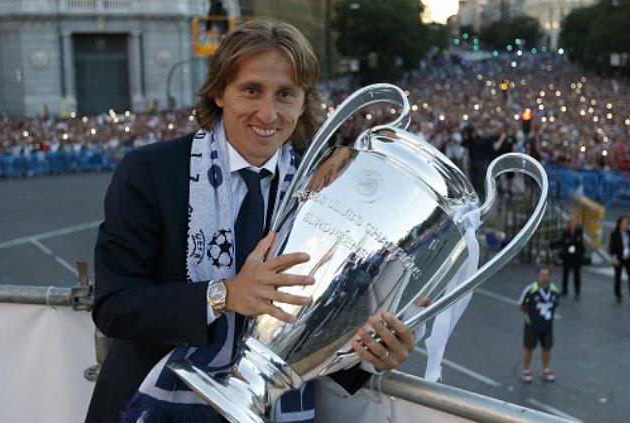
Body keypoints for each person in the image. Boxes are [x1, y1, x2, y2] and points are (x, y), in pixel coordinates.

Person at [86, 19, 414, 423]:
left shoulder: (325, 189)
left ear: (303, 101)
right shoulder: (150, 172)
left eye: (285, 94)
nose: (268, 113)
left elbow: (316, 326)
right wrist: (223, 295)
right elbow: (114, 306)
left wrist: (369, 355)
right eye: (251, 90)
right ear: (220, 92)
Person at [518, 266, 559, 383]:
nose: (544, 278)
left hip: (547, 326)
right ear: (537, 276)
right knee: (528, 347)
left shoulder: (554, 291)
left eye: (546, 276)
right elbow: (521, 305)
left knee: (547, 348)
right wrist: (529, 316)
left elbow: (555, 305)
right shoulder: (530, 290)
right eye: (541, 275)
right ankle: (526, 370)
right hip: (532, 326)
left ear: (550, 276)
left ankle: (546, 370)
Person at [609, 216, 630, 304]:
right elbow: (612, 247)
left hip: (629, 259)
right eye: (623, 223)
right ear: (619, 224)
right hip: (619, 259)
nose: (624, 225)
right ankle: (618, 295)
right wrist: (614, 258)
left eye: (626, 223)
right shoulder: (614, 234)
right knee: (618, 277)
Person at [560, 217, 584, 300]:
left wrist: (569, 241)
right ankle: (564, 290)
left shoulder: (579, 231)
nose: (573, 224)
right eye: (571, 222)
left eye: (574, 222)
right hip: (567, 256)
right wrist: (573, 241)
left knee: (576, 274)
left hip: (576, 256)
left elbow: (579, 242)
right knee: (565, 273)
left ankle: (577, 292)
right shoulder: (566, 231)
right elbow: (563, 242)